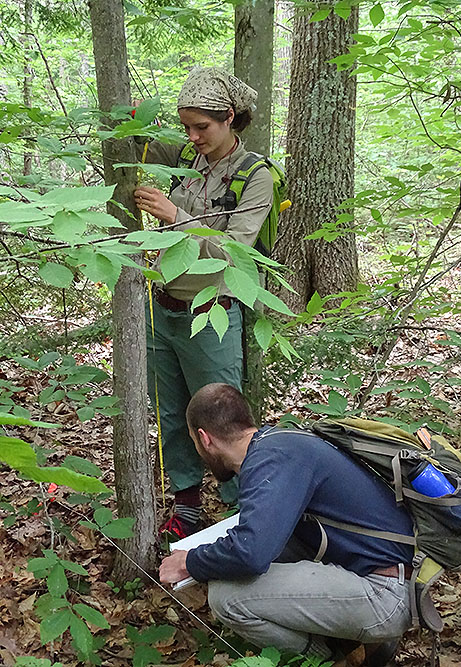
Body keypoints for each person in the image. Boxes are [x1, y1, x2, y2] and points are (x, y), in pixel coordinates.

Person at [159, 383, 415, 666]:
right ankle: (361, 644)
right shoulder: (280, 444)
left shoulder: (269, 460)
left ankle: (327, 659)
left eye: (195, 444)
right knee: (270, 554)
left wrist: (189, 563)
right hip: (393, 574)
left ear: (204, 439)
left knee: (226, 598)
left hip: (386, 595)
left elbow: (251, 554)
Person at [134, 68, 274, 537]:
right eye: (186, 127)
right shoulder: (186, 166)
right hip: (164, 309)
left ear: (229, 118)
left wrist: (176, 216)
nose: (192, 137)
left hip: (212, 312)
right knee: (172, 413)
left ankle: (242, 508)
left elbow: (235, 250)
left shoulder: (255, 176)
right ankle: (187, 503)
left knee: (223, 415)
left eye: (202, 127)